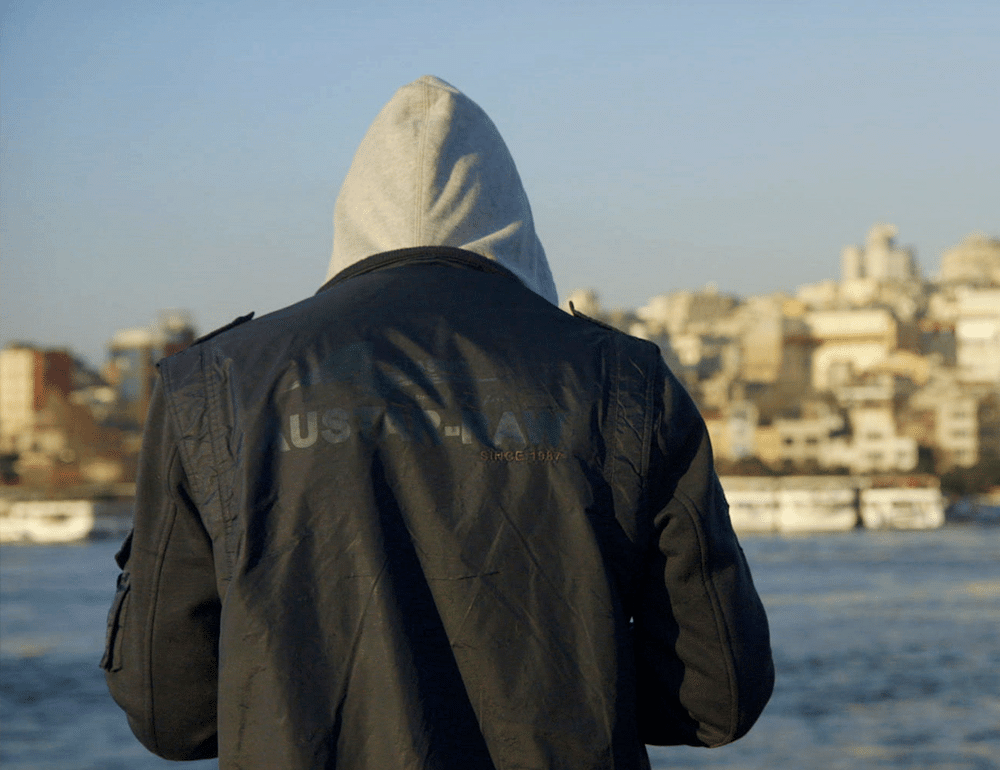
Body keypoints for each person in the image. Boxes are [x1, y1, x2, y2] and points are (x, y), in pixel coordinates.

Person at [103, 75, 773, 770]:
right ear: (514, 221)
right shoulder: (624, 379)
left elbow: (171, 713)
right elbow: (715, 697)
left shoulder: (214, 383)